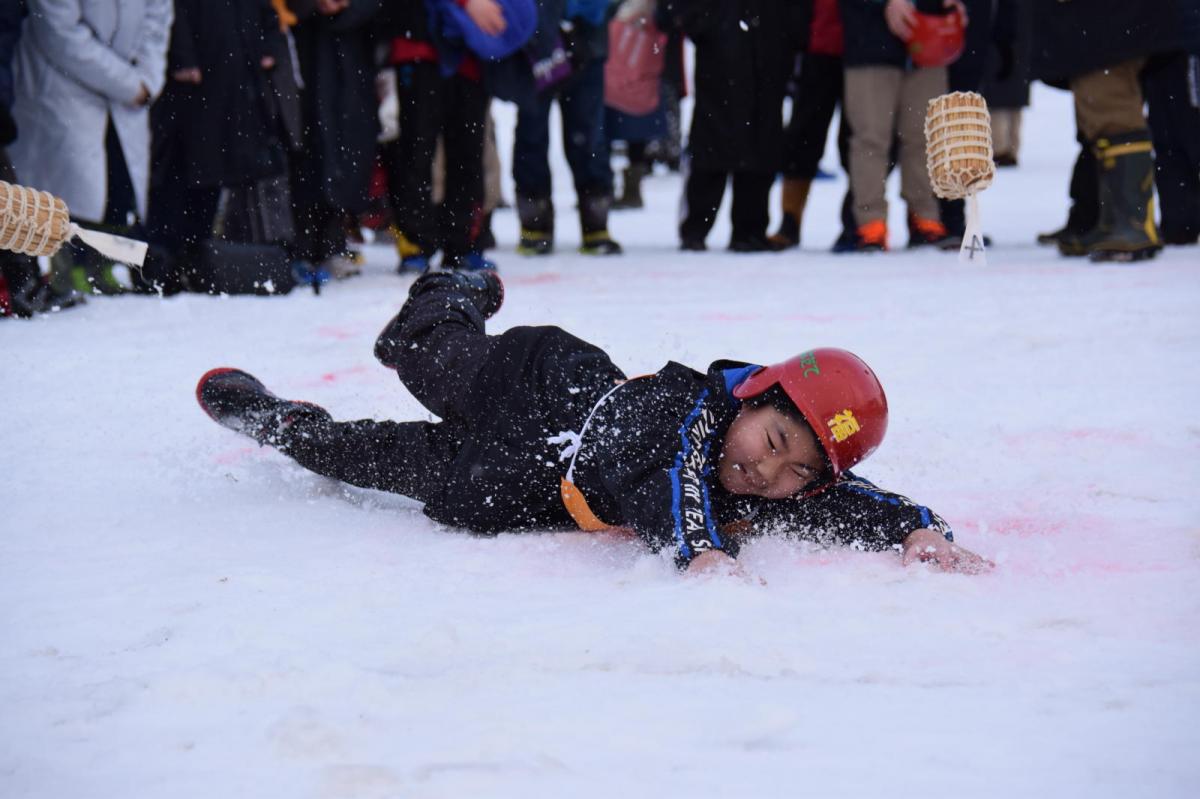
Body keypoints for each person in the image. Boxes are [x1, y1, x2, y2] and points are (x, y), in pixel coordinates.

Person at [195, 270, 992, 576]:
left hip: (515, 484)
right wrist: (702, 550)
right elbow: (672, 479)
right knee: (419, 351)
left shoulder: (782, 478)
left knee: (358, 454)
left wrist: (917, 529)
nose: (768, 473)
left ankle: (272, 418)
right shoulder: (695, 418)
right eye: (775, 441)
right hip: (544, 389)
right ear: (756, 396)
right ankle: (451, 296)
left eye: (796, 473)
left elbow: (843, 499)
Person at [9, 0, 172, 293]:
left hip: (128, 91)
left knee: (117, 186)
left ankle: (103, 264)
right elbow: (58, 32)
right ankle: (66, 269)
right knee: (72, 190)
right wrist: (127, 83)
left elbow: (157, 21)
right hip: (64, 86)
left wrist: (147, 77)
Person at [838, 0, 956, 251]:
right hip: (870, 43)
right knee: (871, 138)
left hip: (927, 40)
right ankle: (869, 223)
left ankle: (924, 217)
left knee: (925, 136)